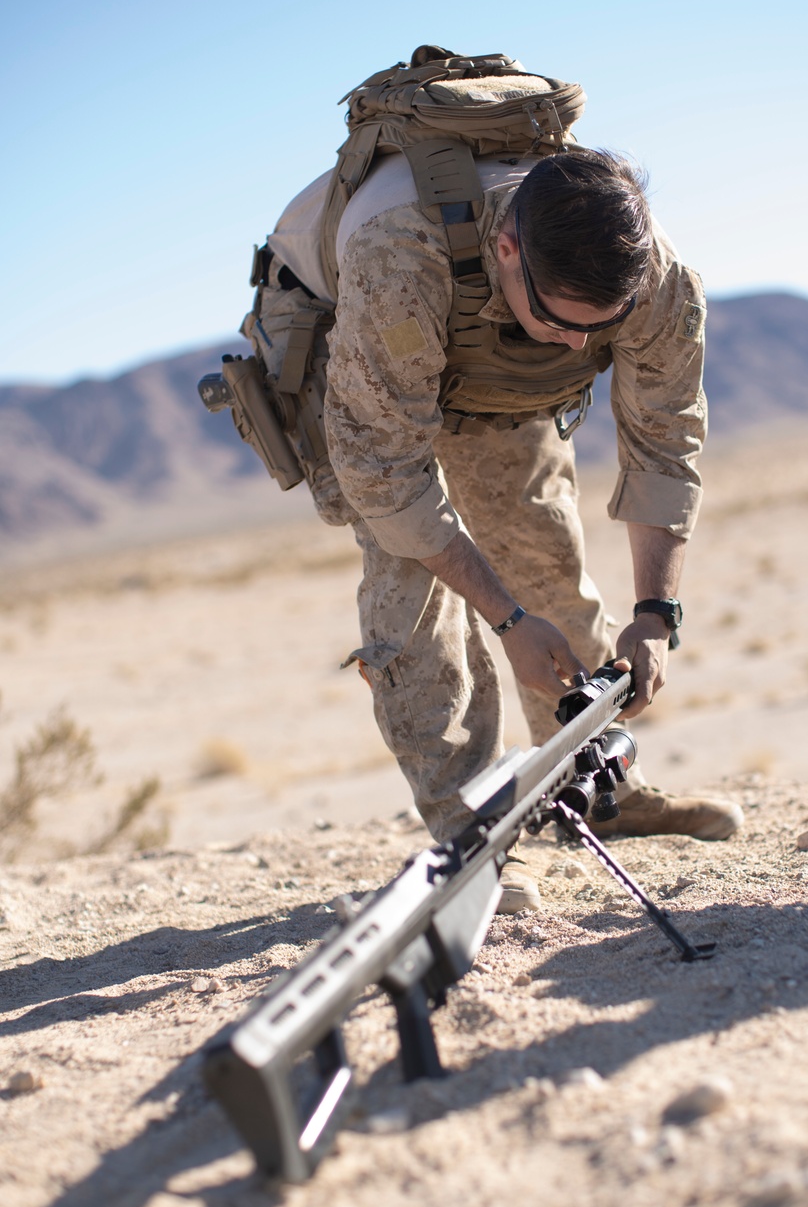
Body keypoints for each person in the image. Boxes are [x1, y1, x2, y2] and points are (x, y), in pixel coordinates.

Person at [242, 144, 743, 872]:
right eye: (560, 319)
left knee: (542, 548)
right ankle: (472, 831)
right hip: (350, 339)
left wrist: (655, 617)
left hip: (488, 364)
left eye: (595, 329)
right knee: (413, 584)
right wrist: (506, 620)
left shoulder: (655, 279)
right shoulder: (398, 258)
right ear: (507, 250)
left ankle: (591, 788)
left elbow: (666, 447)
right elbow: (389, 482)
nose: (577, 345)